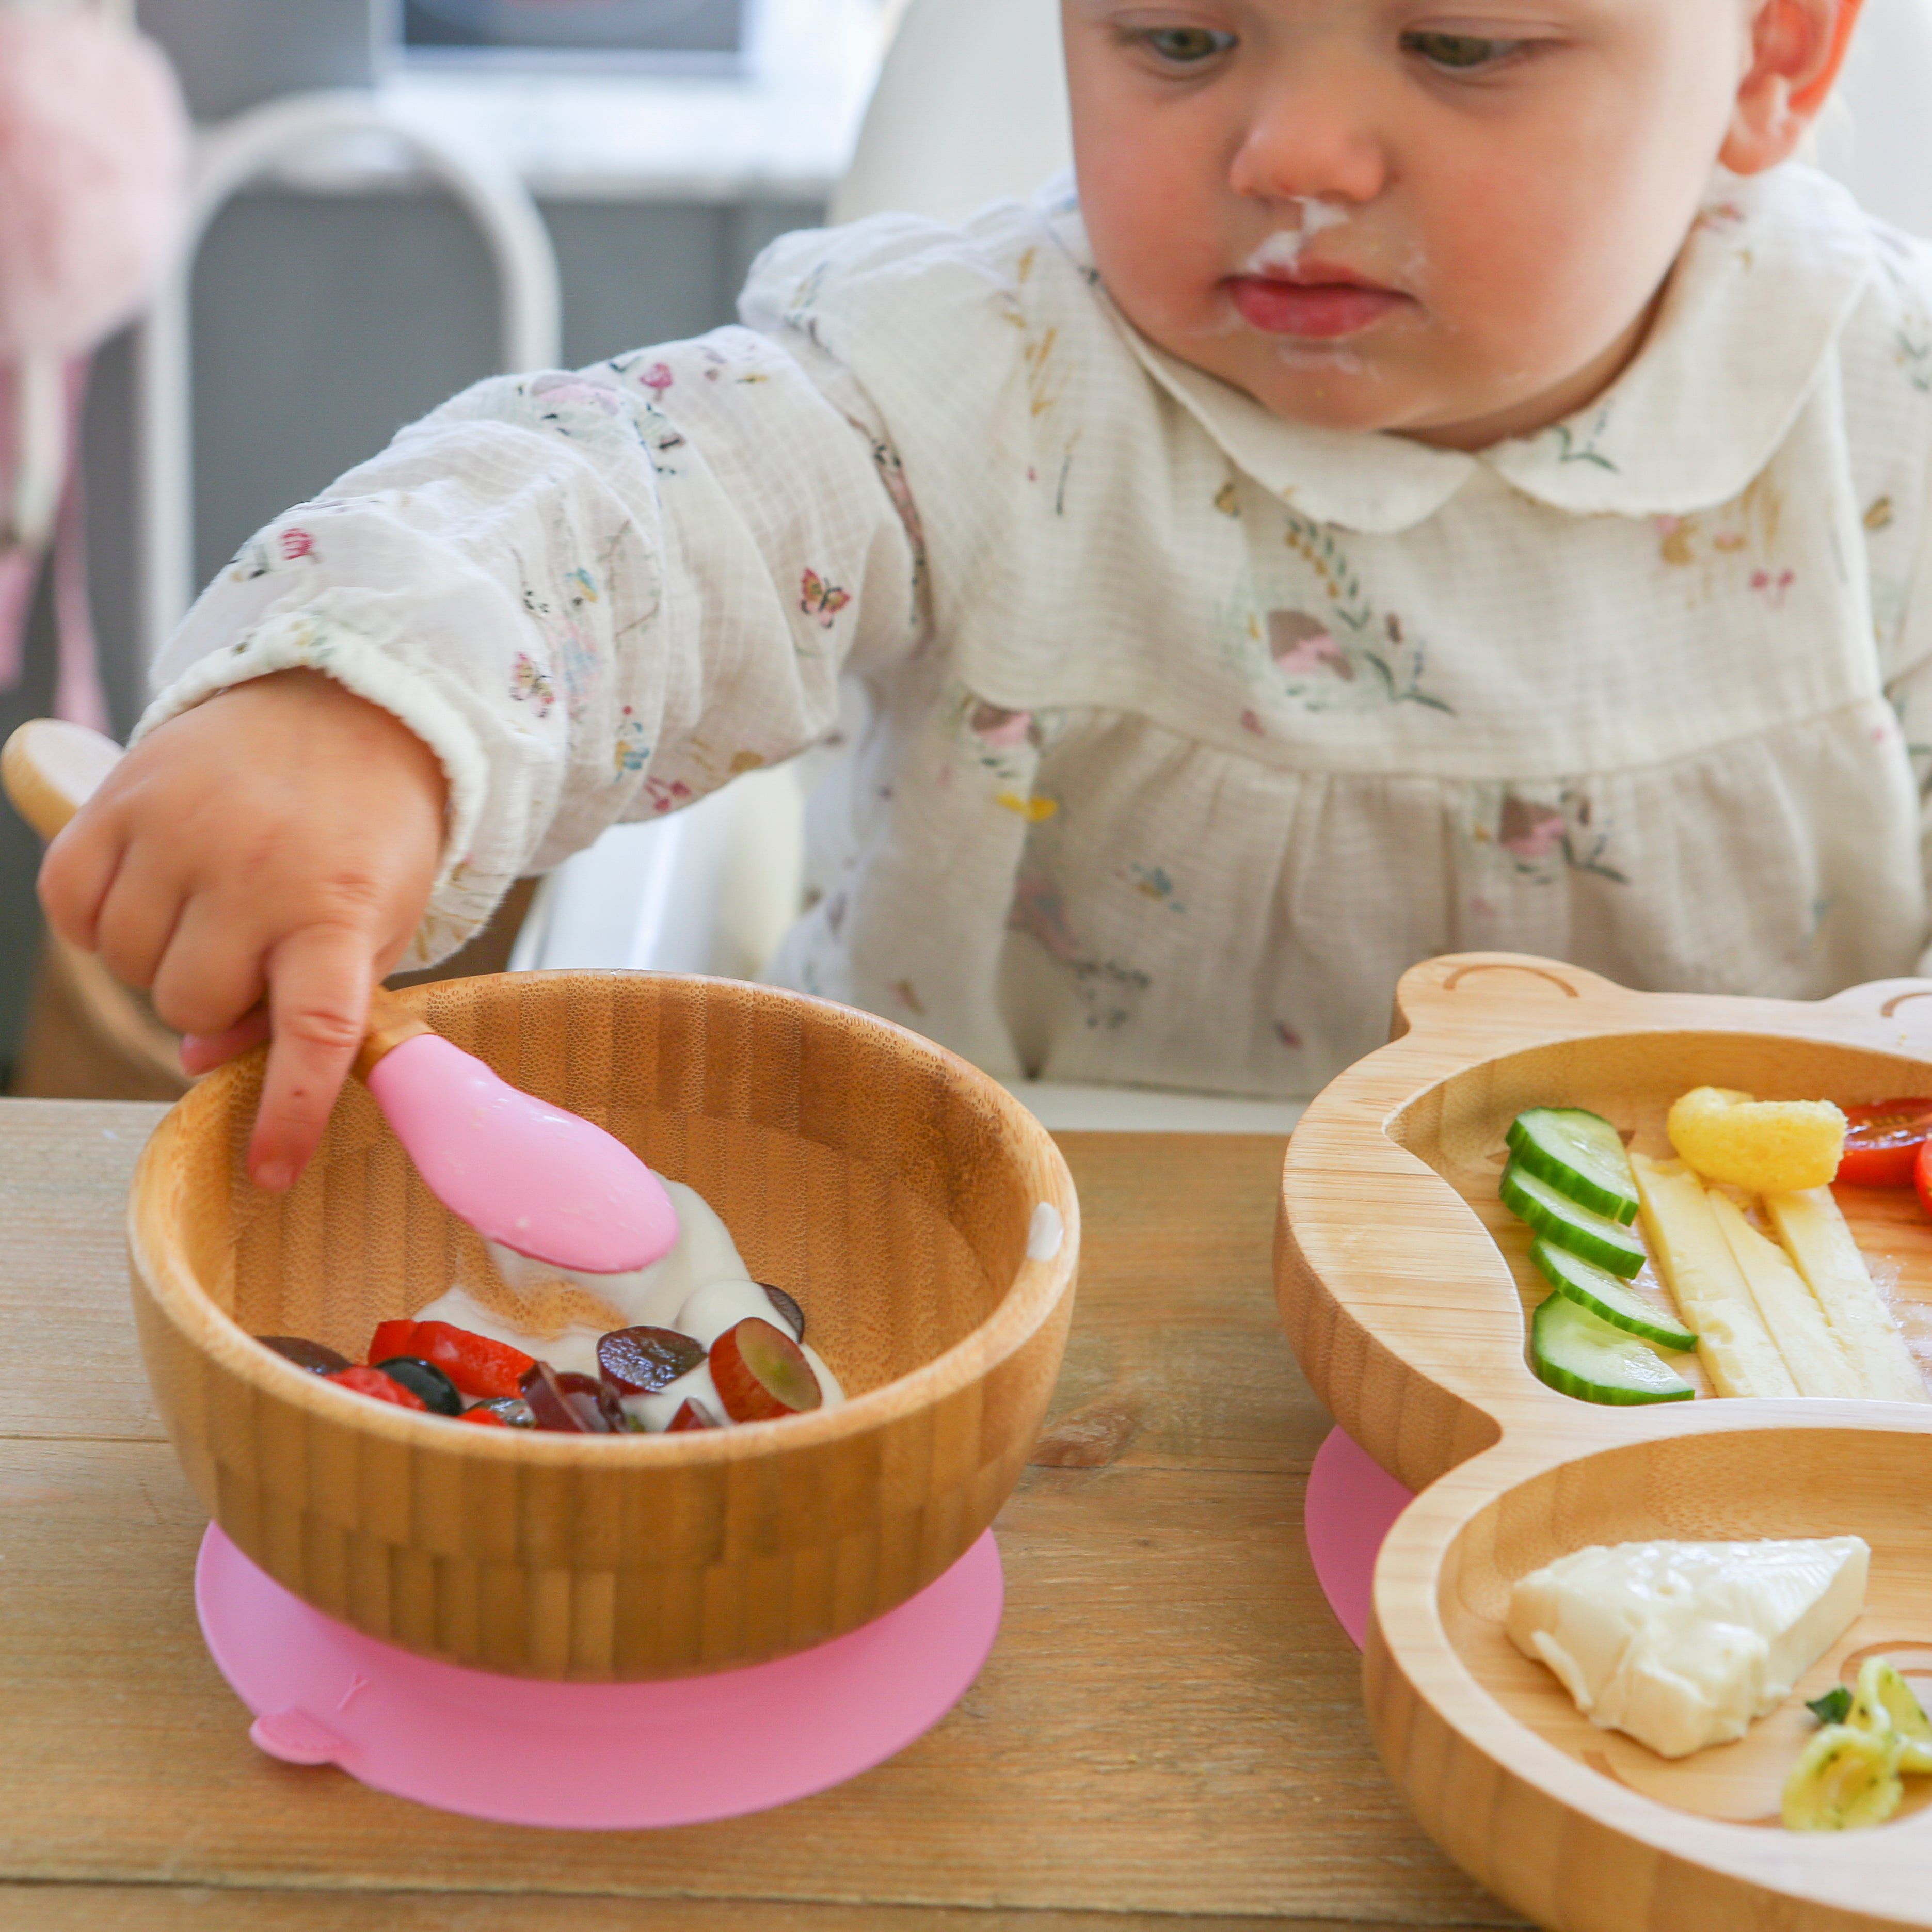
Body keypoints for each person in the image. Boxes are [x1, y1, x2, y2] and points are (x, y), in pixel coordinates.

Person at [40, 0, 1915, 1190]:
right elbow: (647, 494)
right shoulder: (986, 375)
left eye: (1459, 46)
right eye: (1183, 43)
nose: (1295, 156)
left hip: (1712, 1346)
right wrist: (375, 698)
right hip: (1001, 1282)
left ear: (1771, 58)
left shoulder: (1879, 413)